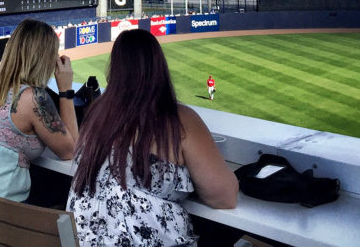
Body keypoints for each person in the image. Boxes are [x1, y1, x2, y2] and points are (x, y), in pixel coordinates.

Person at [68, 28, 237, 247]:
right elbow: (224, 197)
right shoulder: (178, 119)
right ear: (159, 67)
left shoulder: (97, 112)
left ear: (114, 69)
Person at [0, 18, 78, 202]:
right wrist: (65, 90)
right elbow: (70, 151)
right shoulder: (33, 98)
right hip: (2, 212)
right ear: (44, 58)